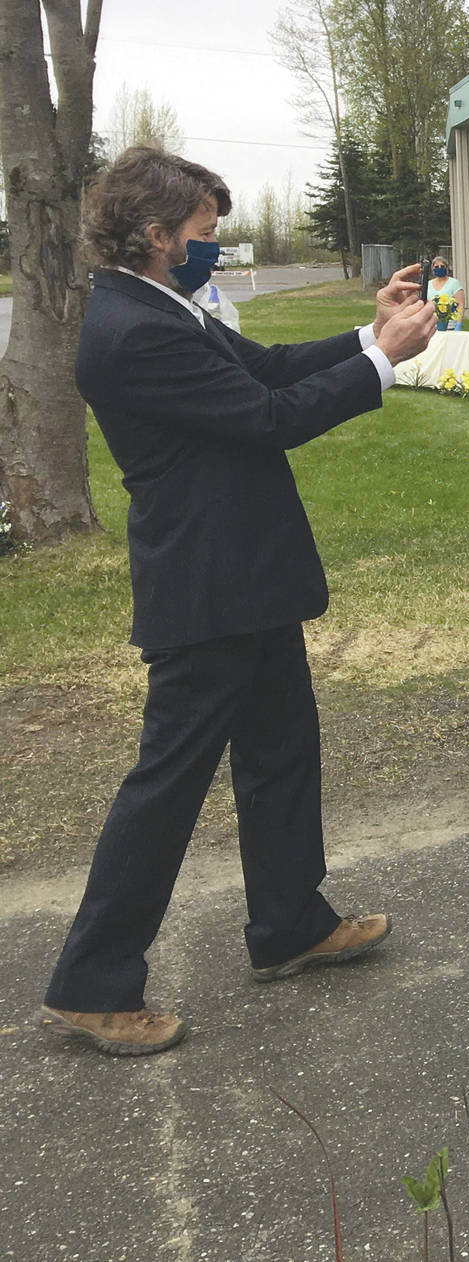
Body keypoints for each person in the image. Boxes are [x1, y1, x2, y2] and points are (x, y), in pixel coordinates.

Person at [41, 146, 437, 1056]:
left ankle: (290, 924)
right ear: (157, 239)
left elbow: (266, 370)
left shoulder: (160, 305)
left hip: (244, 579)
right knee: (168, 784)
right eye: (203, 235)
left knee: (282, 750)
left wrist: (361, 334)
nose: (213, 247)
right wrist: (381, 359)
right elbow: (270, 419)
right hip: (208, 588)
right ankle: (93, 982)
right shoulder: (134, 331)